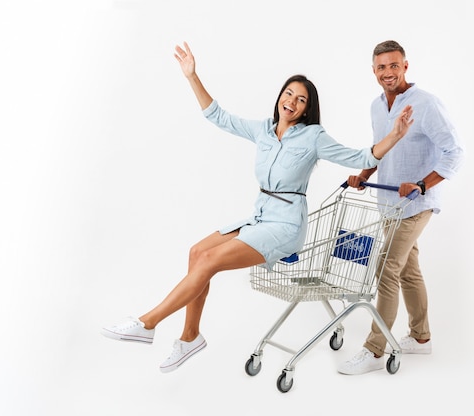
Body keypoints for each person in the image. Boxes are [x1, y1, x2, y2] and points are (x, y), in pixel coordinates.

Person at [101, 41, 414, 373]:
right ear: (280, 96)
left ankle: (148, 323)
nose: (292, 102)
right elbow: (217, 116)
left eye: (301, 99)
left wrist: (394, 135)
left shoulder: (313, 137)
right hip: (259, 216)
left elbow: (361, 157)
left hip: (285, 227)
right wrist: (192, 76)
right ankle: (190, 337)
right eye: (289, 94)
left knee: (209, 261)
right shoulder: (263, 130)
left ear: (307, 109)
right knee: (197, 253)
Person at [337, 40, 465, 375]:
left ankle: (375, 349)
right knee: (408, 270)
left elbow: (455, 152)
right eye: (382, 67)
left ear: (405, 66)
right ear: (374, 71)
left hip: (417, 204)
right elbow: (382, 151)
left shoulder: (427, 104)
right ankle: (421, 338)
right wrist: (363, 175)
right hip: (387, 203)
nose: (388, 72)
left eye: (394, 66)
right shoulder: (376, 107)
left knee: (387, 266)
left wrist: (422, 184)